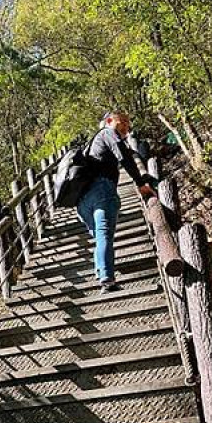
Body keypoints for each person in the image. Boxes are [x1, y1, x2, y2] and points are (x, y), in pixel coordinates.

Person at [77, 111, 156, 293]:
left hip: (82, 200)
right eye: (124, 121)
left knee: (100, 236)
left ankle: (102, 272)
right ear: (109, 121)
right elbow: (124, 157)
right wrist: (140, 183)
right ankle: (107, 280)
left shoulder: (90, 146)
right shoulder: (108, 133)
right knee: (104, 235)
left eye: (129, 122)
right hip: (102, 191)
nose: (127, 125)